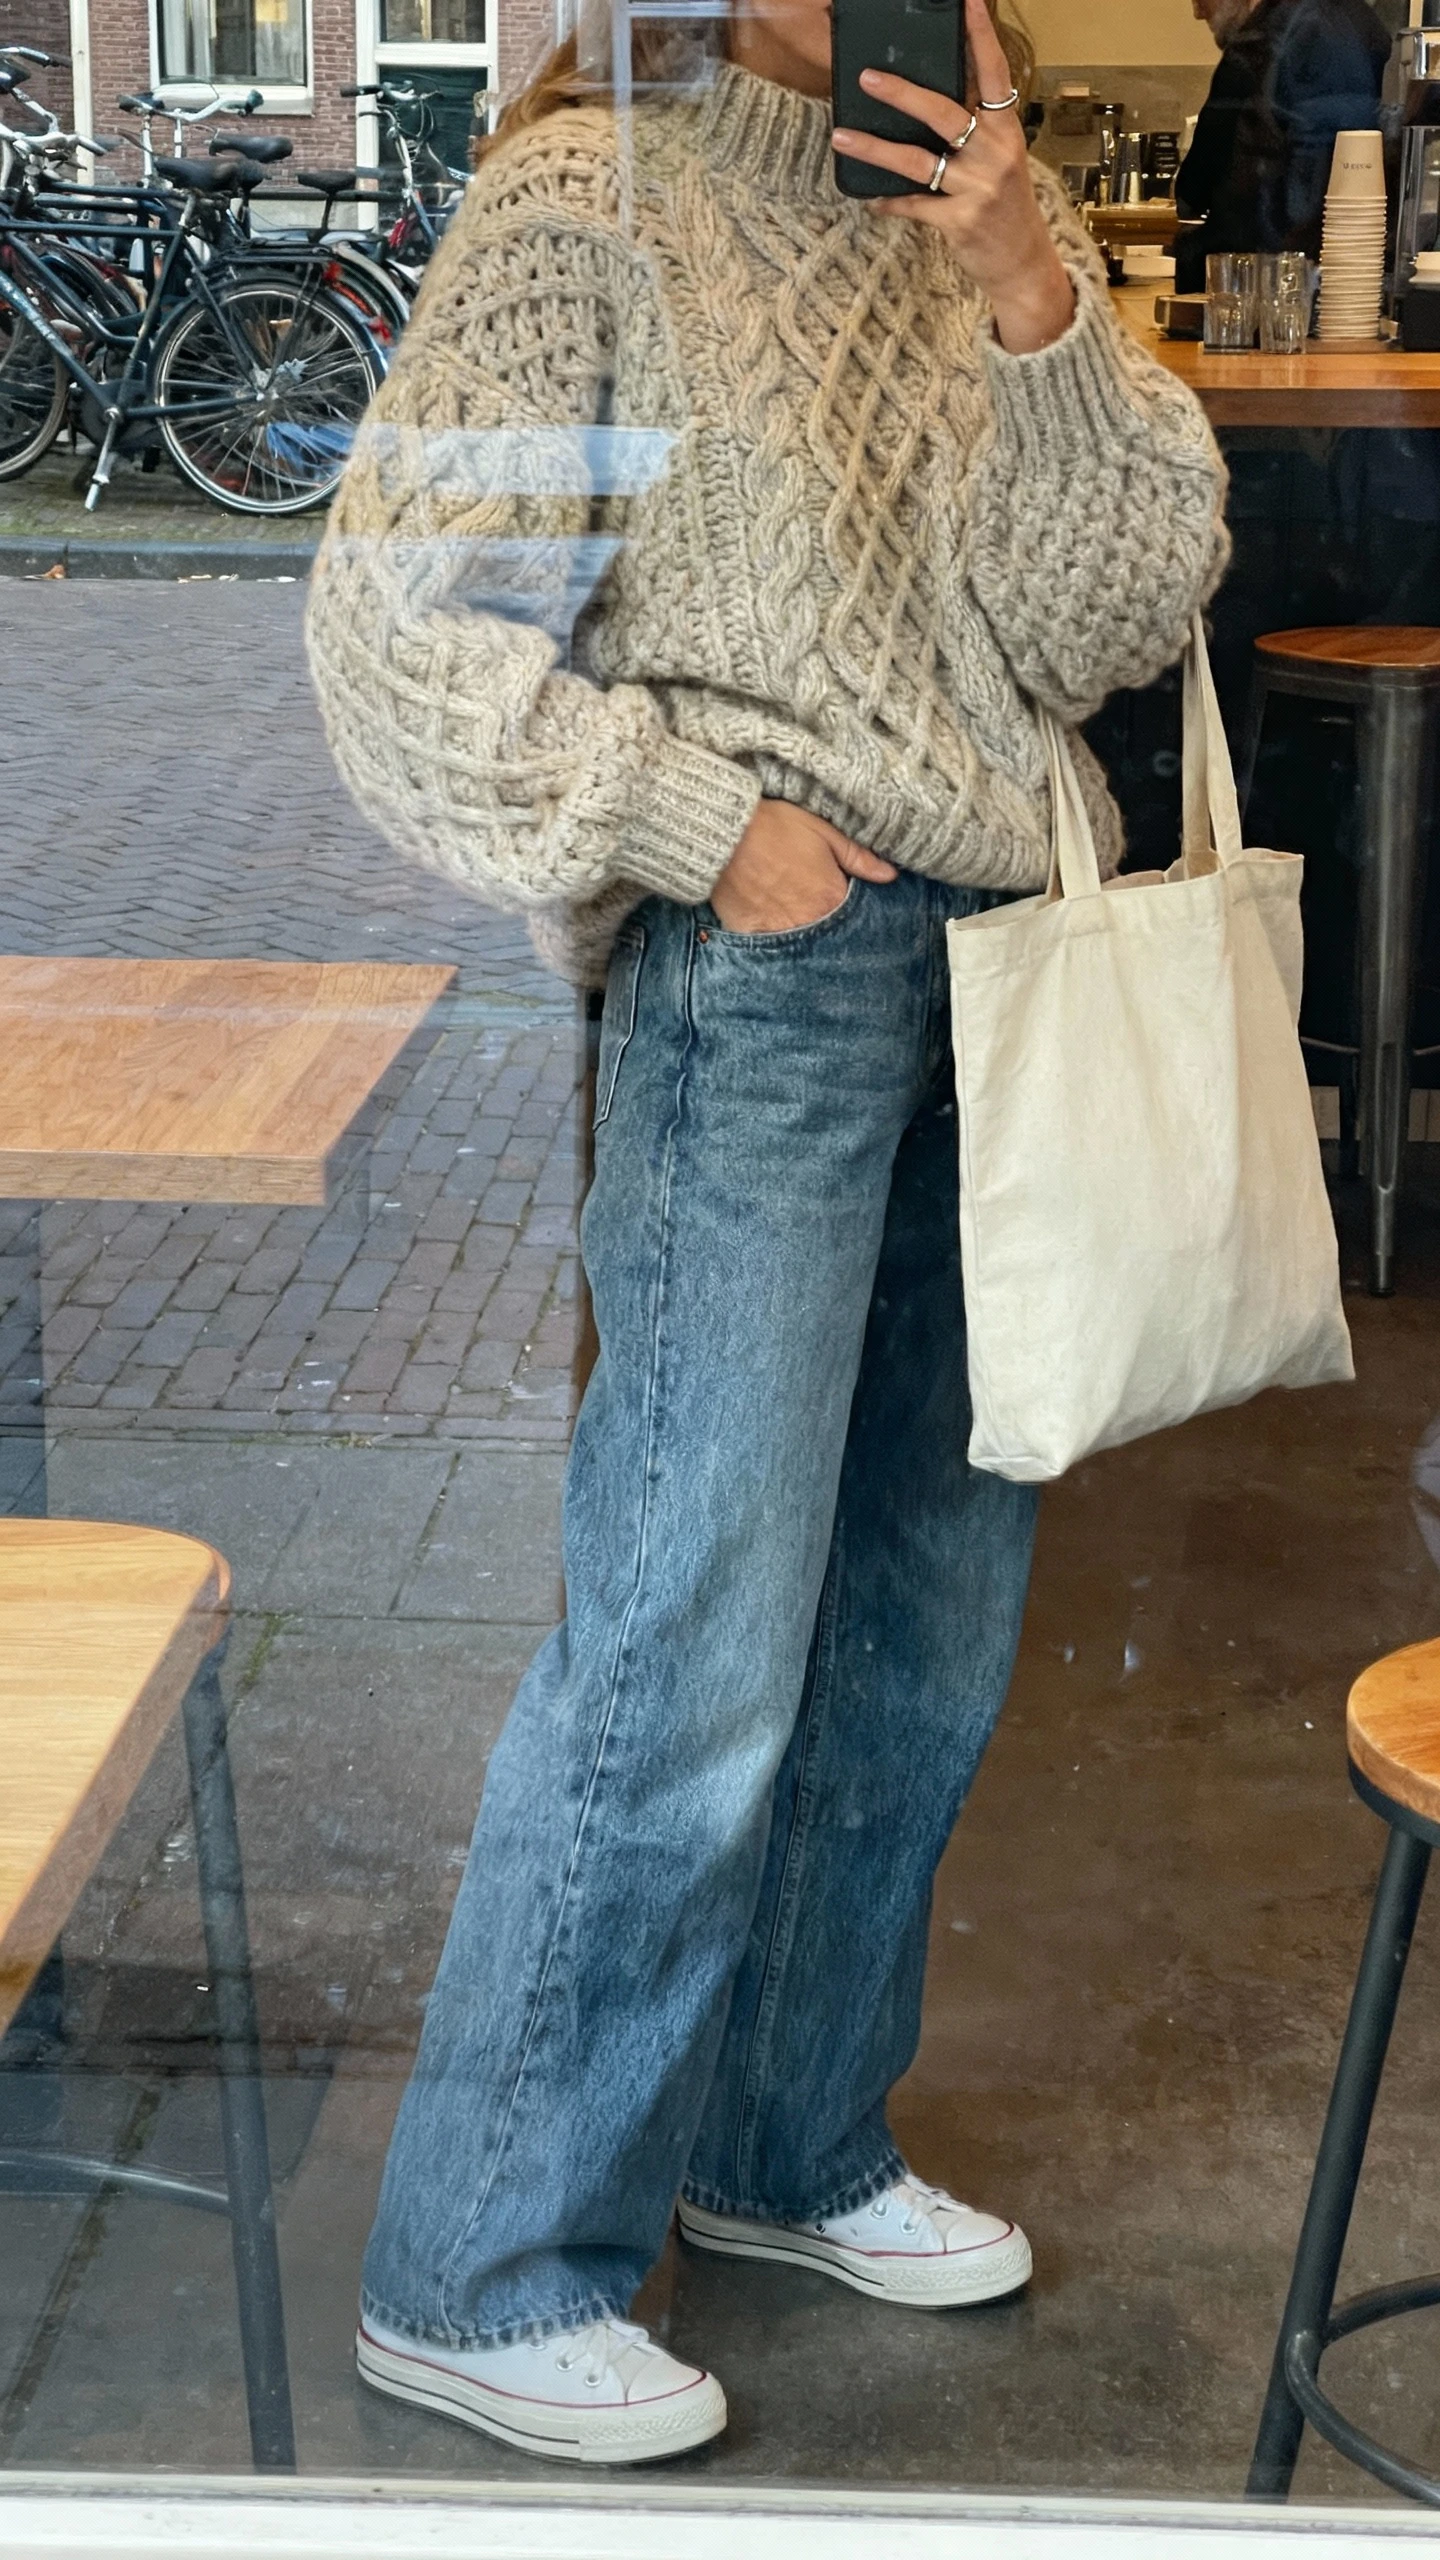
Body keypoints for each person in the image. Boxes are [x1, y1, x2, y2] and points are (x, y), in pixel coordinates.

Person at [305, 0, 1228, 2467]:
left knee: (927, 1624)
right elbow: (395, 625)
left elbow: (1115, 609)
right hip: (776, 974)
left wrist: (1024, 277)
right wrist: (700, 826)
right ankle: (482, 2258)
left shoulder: (976, 200)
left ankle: (789, 2137)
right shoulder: (586, 190)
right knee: (686, 1629)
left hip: (1002, 980)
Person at [1174, 0, 1390, 291]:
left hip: (1265, 276)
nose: (1198, 12)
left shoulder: (1260, 42)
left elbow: (1196, 187)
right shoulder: (1365, 22)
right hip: (1353, 270)